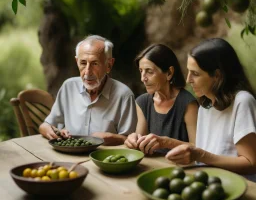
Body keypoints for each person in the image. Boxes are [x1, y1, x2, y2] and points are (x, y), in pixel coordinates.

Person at [142, 38, 256, 181]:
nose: (188, 79)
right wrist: (165, 142)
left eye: (195, 73)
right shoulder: (206, 105)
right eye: (188, 72)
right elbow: (200, 151)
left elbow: (250, 163)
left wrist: (199, 155)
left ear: (217, 75)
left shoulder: (243, 101)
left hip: (238, 191)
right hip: (207, 184)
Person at [39, 35, 137, 145]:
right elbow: (45, 125)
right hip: (68, 155)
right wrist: (54, 132)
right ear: (77, 62)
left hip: (104, 159)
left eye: (95, 63)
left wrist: (111, 137)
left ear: (109, 65)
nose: (87, 72)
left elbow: (130, 140)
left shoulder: (124, 95)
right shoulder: (68, 87)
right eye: (83, 63)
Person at [124, 44, 199, 154]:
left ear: (169, 73)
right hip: (153, 166)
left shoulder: (188, 103)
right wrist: (133, 140)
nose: (143, 78)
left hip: (180, 167)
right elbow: (140, 148)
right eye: (141, 71)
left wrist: (167, 142)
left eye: (149, 71)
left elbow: (198, 147)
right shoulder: (142, 102)